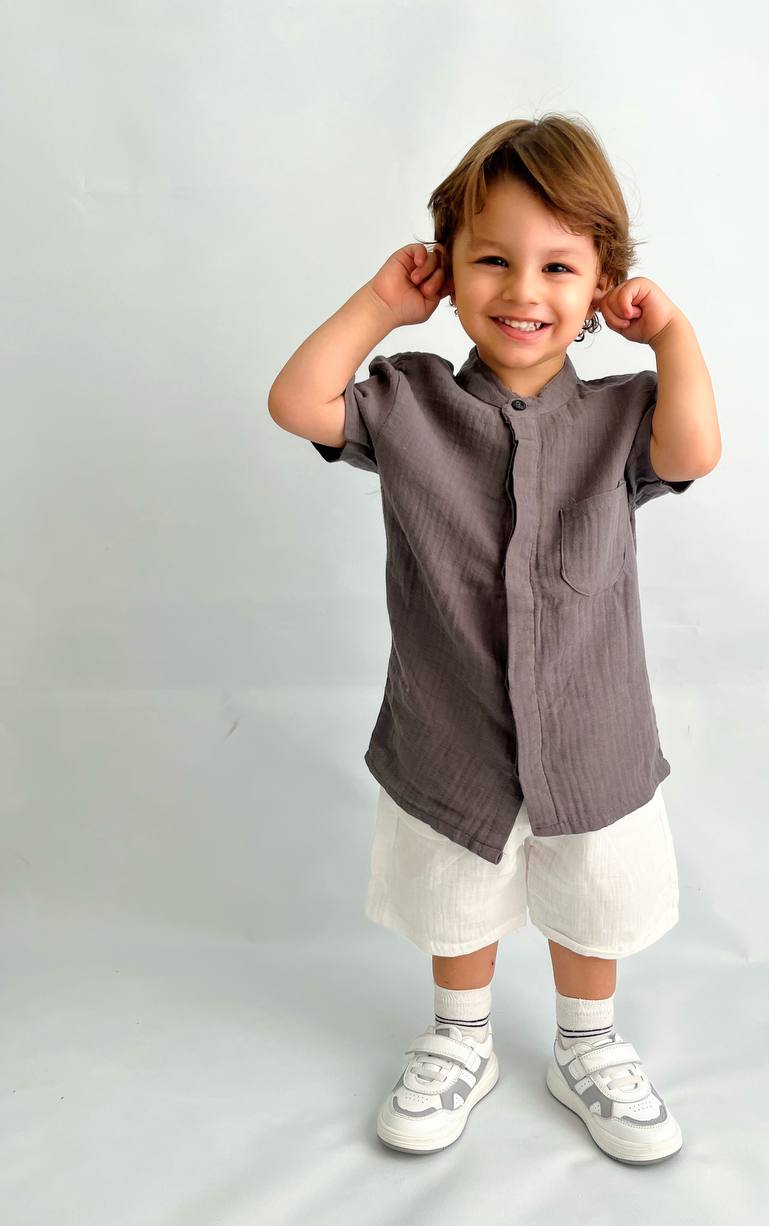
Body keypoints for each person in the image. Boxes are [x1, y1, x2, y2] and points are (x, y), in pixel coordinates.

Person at [267, 114, 721, 1164]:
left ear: (603, 286)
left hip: (592, 731)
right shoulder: (409, 403)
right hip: (451, 729)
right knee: (454, 892)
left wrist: (673, 338)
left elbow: (697, 449)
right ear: (449, 267)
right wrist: (381, 305)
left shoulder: (622, 416)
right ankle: (459, 1039)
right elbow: (297, 400)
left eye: (559, 266)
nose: (524, 290)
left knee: (594, 894)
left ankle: (587, 1044)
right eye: (492, 260)